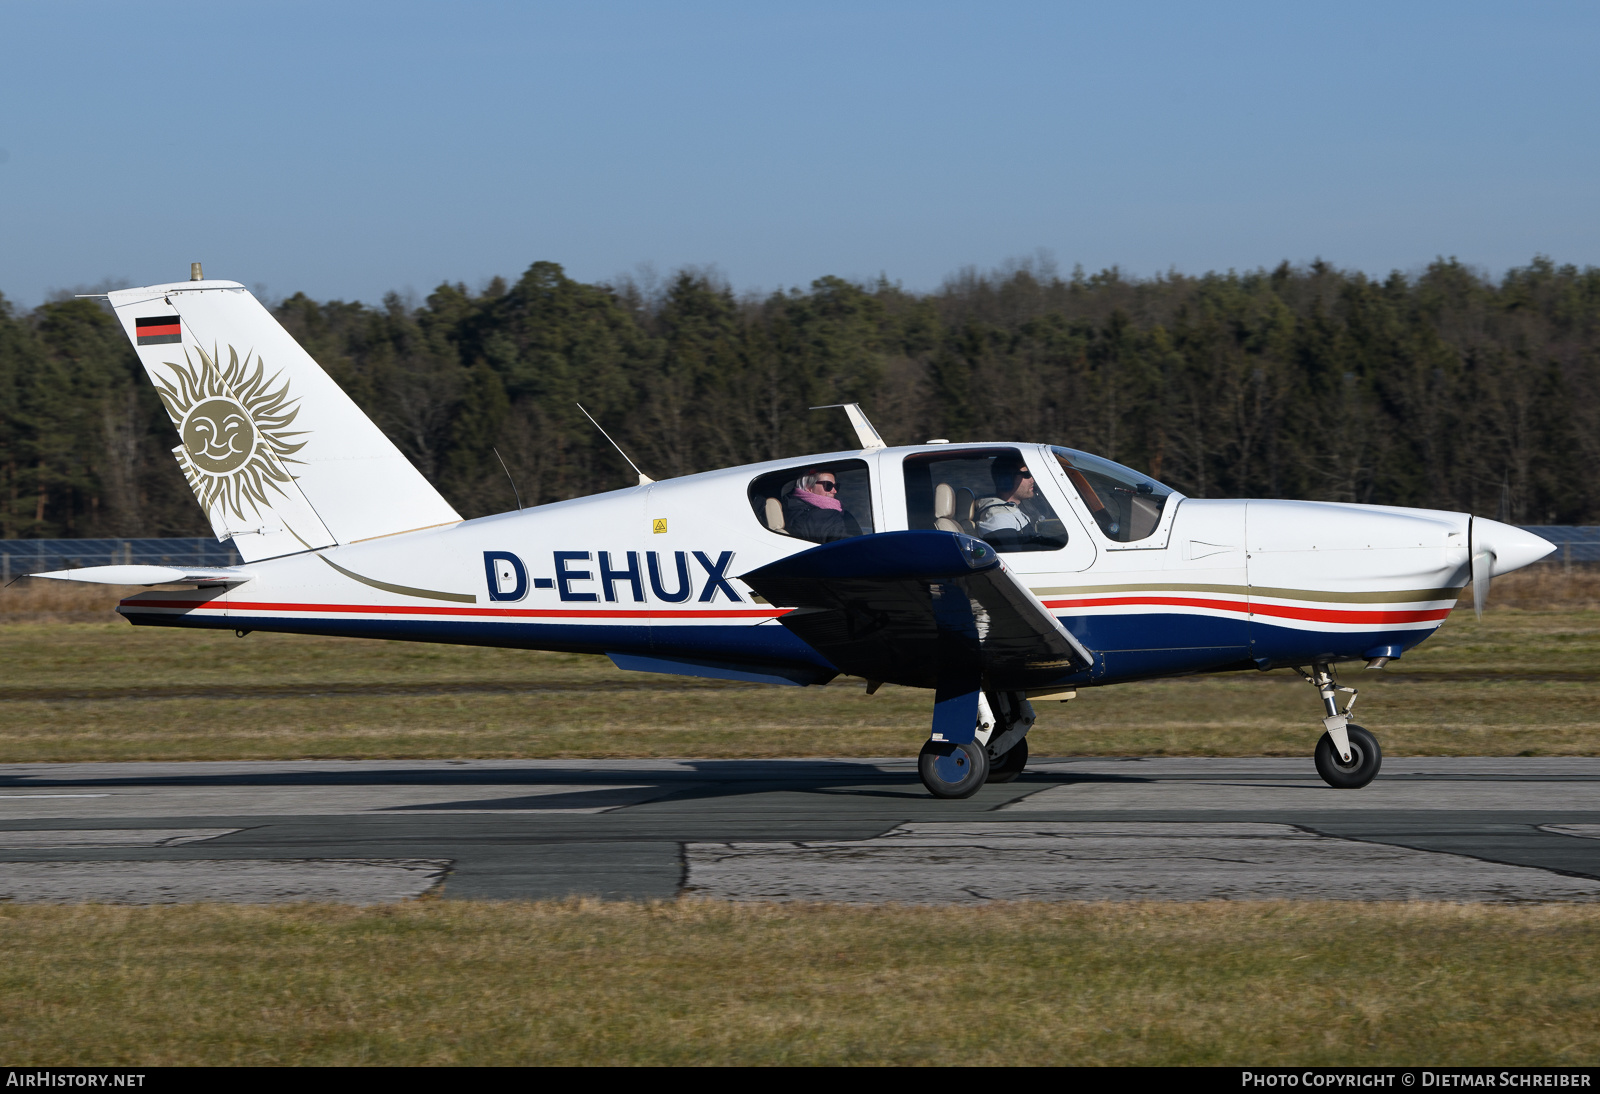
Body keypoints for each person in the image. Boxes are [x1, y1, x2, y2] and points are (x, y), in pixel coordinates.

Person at [781, 469, 862, 543]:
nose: (834, 491)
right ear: (808, 487)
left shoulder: (792, 507)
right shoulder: (827, 516)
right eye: (828, 485)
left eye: (836, 486)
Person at [974, 454, 1036, 538]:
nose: (1032, 479)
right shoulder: (999, 518)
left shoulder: (1011, 510)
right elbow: (1014, 551)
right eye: (1027, 474)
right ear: (1007, 479)